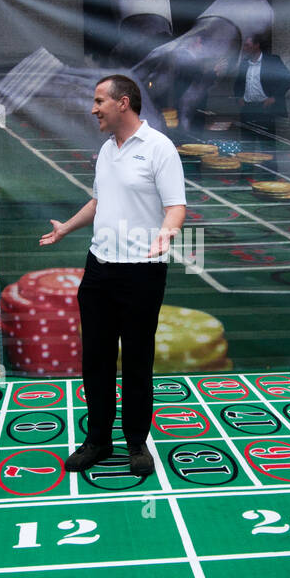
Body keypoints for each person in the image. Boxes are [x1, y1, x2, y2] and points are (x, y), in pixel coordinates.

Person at [40, 74, 186, 477]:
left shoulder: (159, 148)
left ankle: (136, 442)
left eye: (99, 100)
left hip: (142, 273)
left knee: (137, 361)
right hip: (99, 270)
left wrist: (165, 234)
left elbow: (176, 206)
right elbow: (100, 201)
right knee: (96, 360)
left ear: (123, 103)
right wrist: (67, 228)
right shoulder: (106, 150)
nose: (93, 108)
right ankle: (98, 440)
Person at [233, 35, 290, 136]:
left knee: (266, 142)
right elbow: (237, 84)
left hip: (265, 108)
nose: (245, 48)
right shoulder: (244, 63)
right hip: (248, 108)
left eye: (248, 45)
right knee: (247, 142)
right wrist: (239, 98)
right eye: (244, 46)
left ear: (257, 45)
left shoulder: (272, 60)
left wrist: (274, 98)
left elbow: (288, 79)